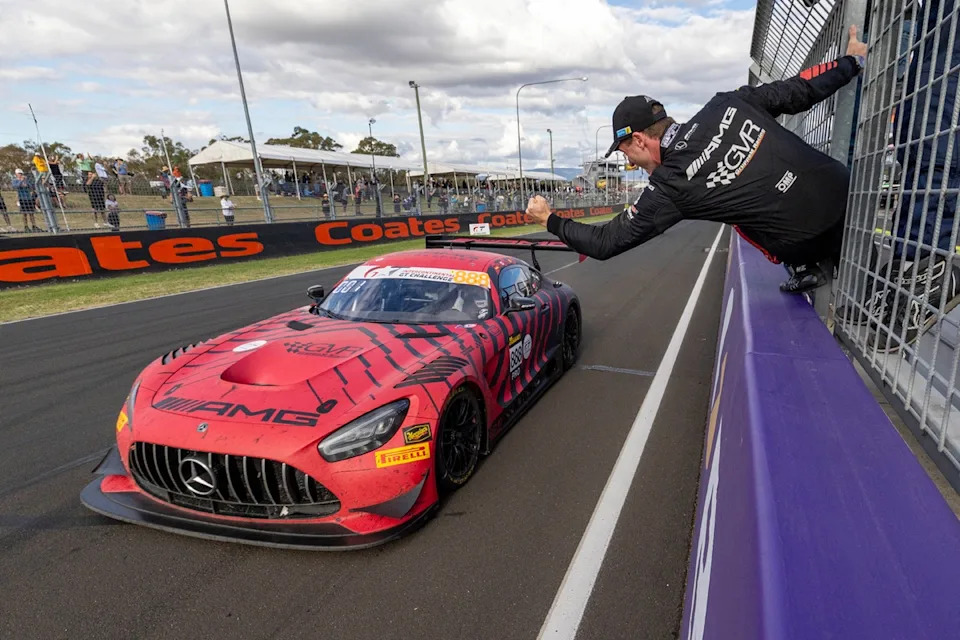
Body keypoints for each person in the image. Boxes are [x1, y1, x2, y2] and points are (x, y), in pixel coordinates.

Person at [526, 26, 869, 294]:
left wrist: (549, 218)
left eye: (626, 152)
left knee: (740, 219)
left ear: (640, 140)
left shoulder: (670, 184)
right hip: (843, 188)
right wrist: (850, 63)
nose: (630, 163)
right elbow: (801, 89)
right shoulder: (725, 103)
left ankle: (809, 266)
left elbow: (604, 243)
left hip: (808, 238)